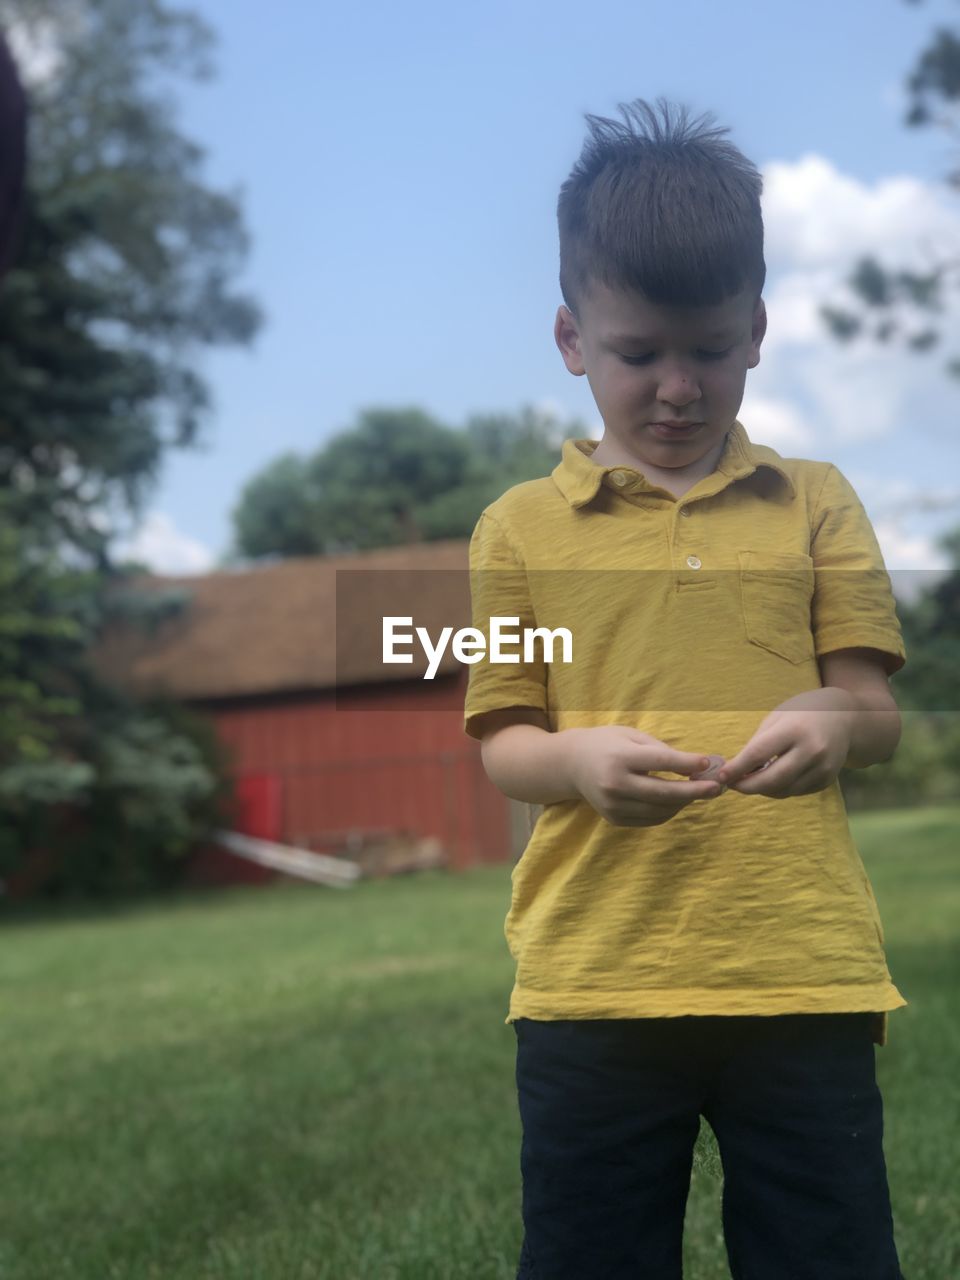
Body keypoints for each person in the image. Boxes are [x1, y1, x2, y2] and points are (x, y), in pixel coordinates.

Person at [464, 98, 907, 1280]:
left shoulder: (814, 500)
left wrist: (831, 718)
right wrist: (576, 762)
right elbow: (506, 741)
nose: (675, 387)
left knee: (829, 1252)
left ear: (756, 329)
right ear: (570, 338)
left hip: (798, 967)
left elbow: (874, 710)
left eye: (708, 349)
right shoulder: (515, 528)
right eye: (636, 352)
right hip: (591, 978)